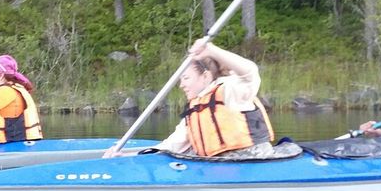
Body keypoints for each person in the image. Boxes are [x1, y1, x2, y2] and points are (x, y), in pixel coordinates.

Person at [106, 37, 278, 159]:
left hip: (251, 160)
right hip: (220, 165)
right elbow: (170, 147)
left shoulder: (230, 90)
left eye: (186, 78)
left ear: (205, 76)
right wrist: (127, 156)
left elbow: (250, 72)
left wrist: (212, 50)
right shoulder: (195, 108)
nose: (181, 85)